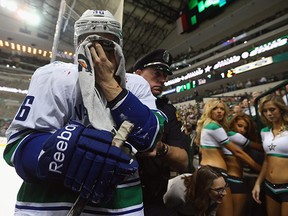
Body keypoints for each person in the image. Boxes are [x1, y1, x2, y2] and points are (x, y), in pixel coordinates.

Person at [3, 10, 166, 216]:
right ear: (78, 45)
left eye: (108, 45)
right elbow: (16, 148)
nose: (100, 55)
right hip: (48, 206)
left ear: (120, 48)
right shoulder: (53, 76)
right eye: (91, 44)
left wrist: (108, 83)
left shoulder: (136, 84)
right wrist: (65, 151)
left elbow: (149, 137)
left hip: (119, 206)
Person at [133, 49, 191, 215]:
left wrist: (159, 148)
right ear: (138, 74)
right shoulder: (115, 102)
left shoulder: (167, 110)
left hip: (153, 197)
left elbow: (184, 160)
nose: (163, 80)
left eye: (165, 75)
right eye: (156, 73)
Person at [194, 98, 261, 216]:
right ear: (209, 110)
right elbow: (237, 152)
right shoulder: (214, 126)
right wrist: (260, 169)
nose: (220, 111)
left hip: (209, 171)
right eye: (215, 108)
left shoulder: (207, 126)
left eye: (222, 109)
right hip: (216, 172)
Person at [252, 95, 288, 216]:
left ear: (281, 109)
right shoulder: (264, 132)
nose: (269, 113)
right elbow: (267, 161)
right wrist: (258, 183)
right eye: (265, 111)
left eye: (272, 109)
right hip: (269, 187)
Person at [223, 113, 263, 216]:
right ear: (233, 124)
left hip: (229, 178)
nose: (242, 130)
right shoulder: (233, 135)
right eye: (239, 126)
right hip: (235, 179)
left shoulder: (227, 135)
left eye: (245, 128)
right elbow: (259, 147)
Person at [163, 165, 228, 216]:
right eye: (219, 189)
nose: (225, 193)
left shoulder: (216, 195)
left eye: (224, 187)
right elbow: (166, 209)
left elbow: (211, 213)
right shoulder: (179, 191)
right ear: (204, 188)